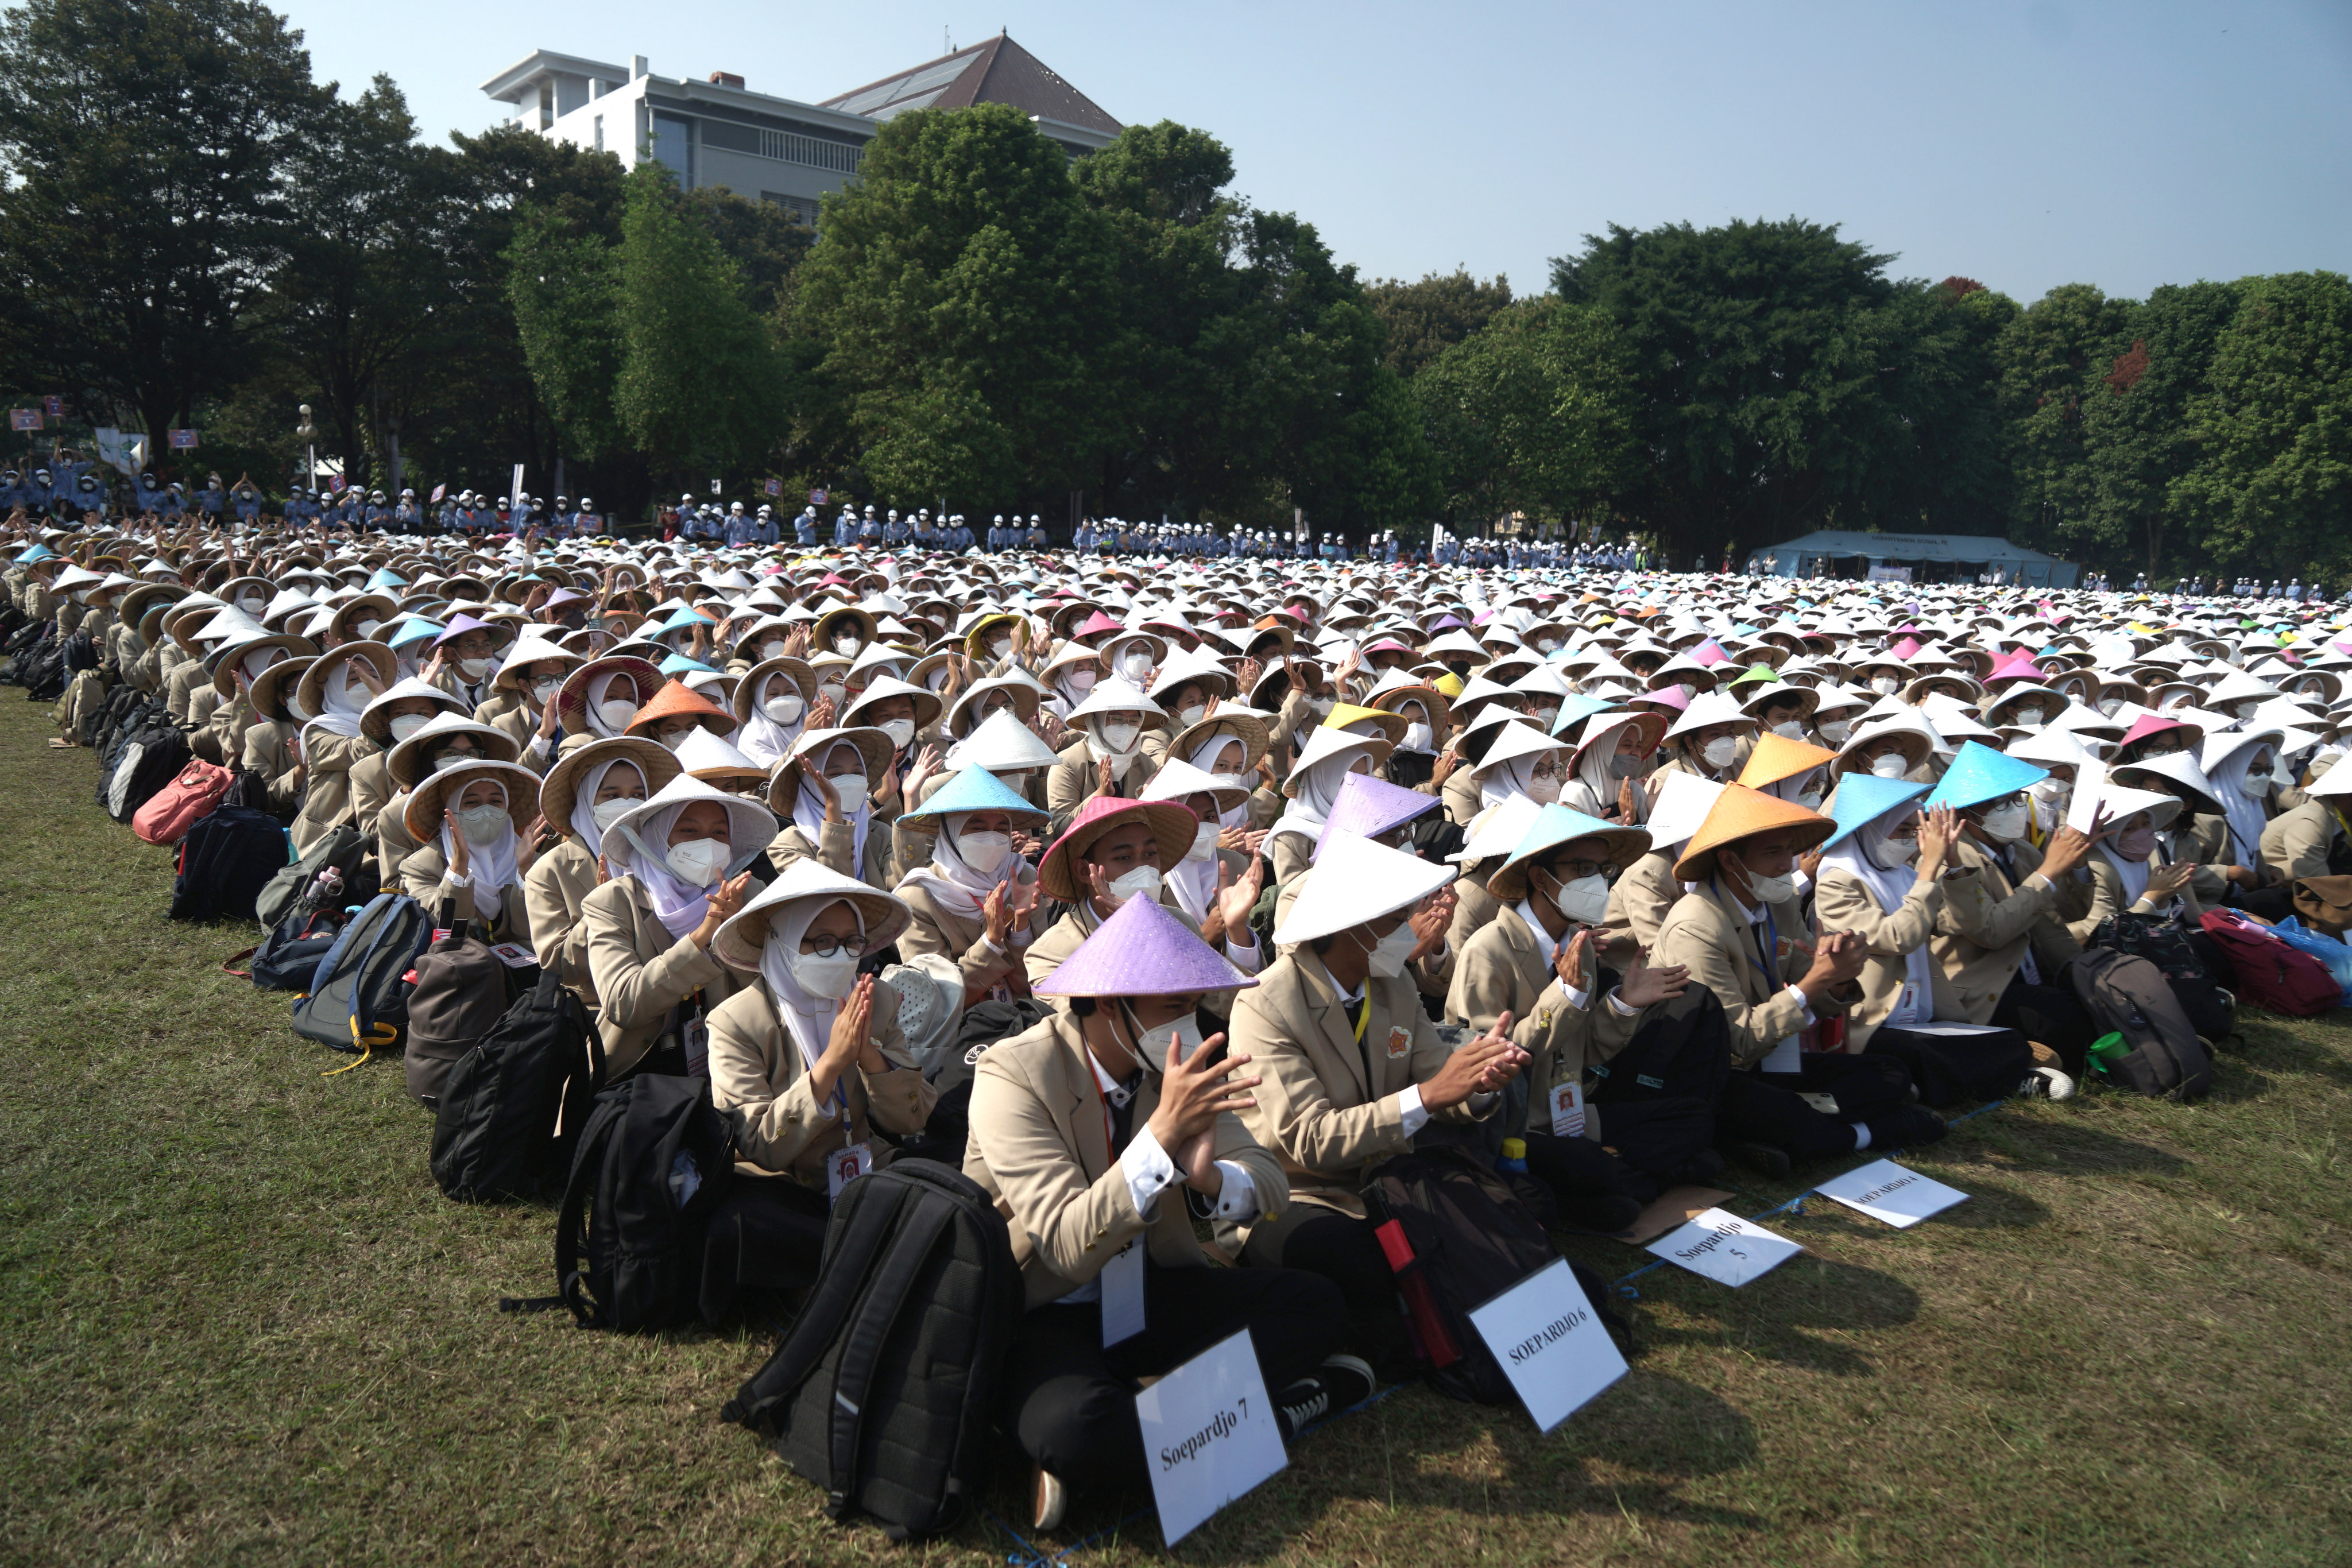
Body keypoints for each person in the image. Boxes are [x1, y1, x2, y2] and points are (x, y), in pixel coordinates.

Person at [966, 894, 1356, 1532]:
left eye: (1194, 1006)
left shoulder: (1172, 1068)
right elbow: (1063, 1244)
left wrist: (1210, 1180)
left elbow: (1269, 1181)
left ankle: (1146, 1418)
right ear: (1108, 1003)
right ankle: (1274, 1408)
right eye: (1172, 1007)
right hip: (1046, 1307)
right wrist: (1160, 1138)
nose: (1190, 1025)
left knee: (1315, 1304)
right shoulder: (1015, 1073)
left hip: (1146, 1290)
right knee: (1075, 1428)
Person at [1233, 831, 1530, 1369]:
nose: (1410, 929)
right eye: (1398, 918)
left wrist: (1479, 1081)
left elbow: (1437, 1077)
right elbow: (1309, 1139)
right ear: (1355, 925)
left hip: (1388, 1179)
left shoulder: (1392, 983)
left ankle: (1417, 1318)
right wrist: (1429, 1094)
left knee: (1500, 1214)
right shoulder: (1267, 1003)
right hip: (1301, 1192)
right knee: (1361, 1256)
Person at [1650, 784, 1943, 1175]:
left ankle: (1785, 1129)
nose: (1786, 864)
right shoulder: (1696, 926)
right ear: (1729, 860)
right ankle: (1859, 1133)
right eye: (1772, 852)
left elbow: (1812, 982)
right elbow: (1737, 1041)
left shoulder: (1779, 901)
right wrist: (1814, 983)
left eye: (1788, 851)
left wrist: (1837, 975)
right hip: (1710, 1070)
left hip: (1767, 1056)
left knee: (1889, 1073)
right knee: (1768, 1108)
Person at [1449, 804, 1717, 1218]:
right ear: (1541, 877)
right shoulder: (1489, 950)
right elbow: (1492, 1068)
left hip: (1570, 1112)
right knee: (1596, 1172)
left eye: (1604, 870)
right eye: (1583, 868)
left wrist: (1623, 1003)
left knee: (1694, 1115)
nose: (1598, 882)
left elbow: (1586, 1049)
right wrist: (1564, 996)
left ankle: (1622, 1179)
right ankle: (1633, 1176)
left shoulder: (1580, 944)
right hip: (1520, 1126)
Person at [705, 862, 935, 1227]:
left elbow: (912, 1118)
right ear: (784, 942)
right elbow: (758, 1146)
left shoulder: (876, 999)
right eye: (823, 942)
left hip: (864, 1164)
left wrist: (869, 1055)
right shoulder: (737, 1022)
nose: (841, 955)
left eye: (852, 942)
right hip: (782, 1187)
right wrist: (830, 1063)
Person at [1811, 777, 2049, 1104]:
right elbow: (1899, 937)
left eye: (1915, 830)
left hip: (1922, 1012)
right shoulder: (1836, 883)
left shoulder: (1905, 876)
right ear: (1872, 830)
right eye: (1902, 830)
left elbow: (1967, 921)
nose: (1910, 839)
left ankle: (1999, 1073)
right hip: (1873, 1017)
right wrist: (1929, 870)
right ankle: (2000, 1078)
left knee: (2004, 1039)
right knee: (1918, 1052)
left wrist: (1953, 864)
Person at [584, 775, 776, 1079]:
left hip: (730, 1060)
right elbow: (624, 1005)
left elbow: (772, 991)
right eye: (689, 831)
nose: (708, 843)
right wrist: (701, 937)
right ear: (657, 837)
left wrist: (736, 936)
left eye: (719, 832)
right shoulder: (614, 901)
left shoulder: (748, 892)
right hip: (640, 1069)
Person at [526, 736, 680, 1006]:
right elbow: (558, 965)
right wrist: (602, 908)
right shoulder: (550, 871)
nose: (627, 803)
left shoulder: (667, 854)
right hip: (600, 1009)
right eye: (611, 796)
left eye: (637, 795)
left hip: (676, 996)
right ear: (587, 800)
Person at [891, 765, 1047, 1007]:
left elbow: (1037, 978)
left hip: (1023, 1015)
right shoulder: (917, 898)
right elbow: (938, 996)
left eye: (1002, 829)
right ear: (951, 834)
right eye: (977, 828)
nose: (992, 837)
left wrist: (1021, 928)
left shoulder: (1023, 878)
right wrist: (991, 941)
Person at [397, 757, 546, 948]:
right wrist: (458, 870)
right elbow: (447, 931)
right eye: (472, 802)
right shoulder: (422, 866)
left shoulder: (529, 857)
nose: (486, 810)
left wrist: (524, 869)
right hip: (460, 962)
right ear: (452, 809)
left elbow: (529, 929)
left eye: (495, 801)